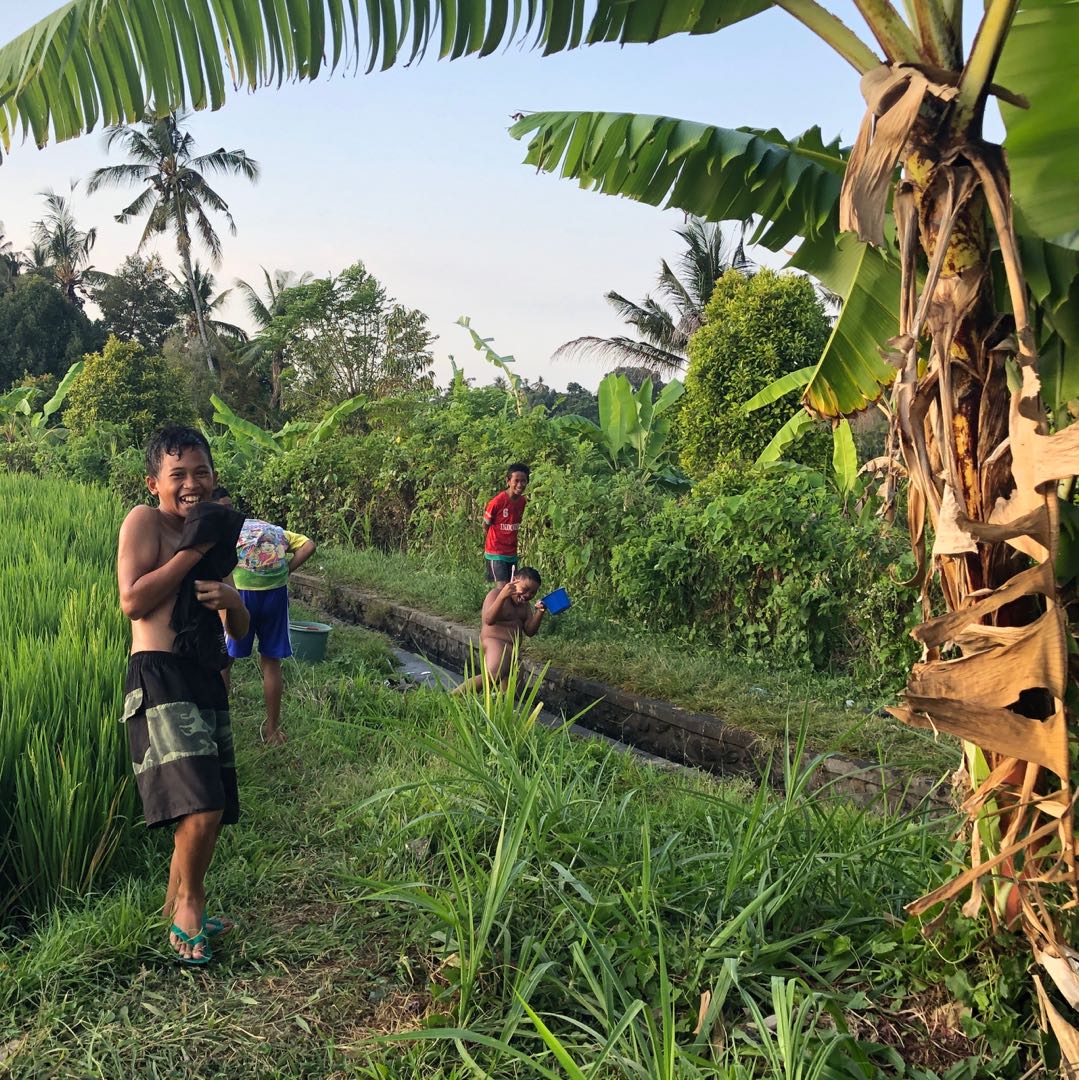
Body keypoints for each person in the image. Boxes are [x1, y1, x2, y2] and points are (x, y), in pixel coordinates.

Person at [116, 425, 250, 966]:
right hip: (159, 672)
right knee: (202, 803)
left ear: (213, 477)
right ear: (155, 483)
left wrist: (232, 598)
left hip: (203, 676)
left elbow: (237, 631)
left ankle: (176, 906)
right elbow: (133, 600)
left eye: (201, 472)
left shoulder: (214, 535)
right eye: (178, 475)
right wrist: (193, 553)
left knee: (211, 802)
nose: (191, 483)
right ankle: (190, 904)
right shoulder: (146, 522)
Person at [212, 488, 316, 746]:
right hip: (275, 594)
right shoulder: (266, 527)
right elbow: (308, 546)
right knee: (270, 663)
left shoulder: (216, 530)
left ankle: (221, 725)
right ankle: (272, 731)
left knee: (226, 660)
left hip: (241, 595)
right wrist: (285, 573)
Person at [454, 567, 546, 693]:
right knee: (492, 675)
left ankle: (497, 708)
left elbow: (530, 631)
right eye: (525, 590)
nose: (527, 595)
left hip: (513, 650)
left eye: (532, 593)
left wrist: (539, 613)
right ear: (514, 581)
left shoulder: (525, 606)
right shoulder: (496, 594)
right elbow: (488, 619)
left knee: (513, 689)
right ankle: (454, 696)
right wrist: (502, 597)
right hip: (494, 642)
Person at [483, 463, 530, 583]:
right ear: (508, 481)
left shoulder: (522, 502)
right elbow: (486, 524)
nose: (520, 485)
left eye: (523, 481)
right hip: (496, 552)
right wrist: (492, 541)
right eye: (516, 481)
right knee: (502, 588)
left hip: (511, 553)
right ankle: (491, 602)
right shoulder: (497, 502)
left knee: (513, 586)